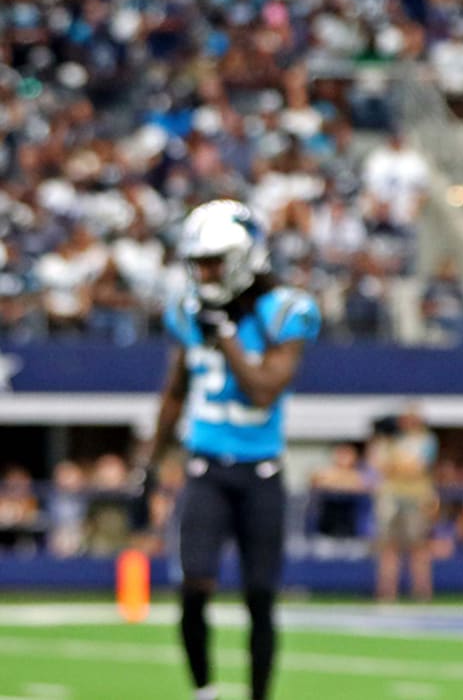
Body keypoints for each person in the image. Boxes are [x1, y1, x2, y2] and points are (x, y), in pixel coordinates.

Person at [145, 199, 321, 700]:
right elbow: (175, 390)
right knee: (193, 585)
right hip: (206, 468)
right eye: (197, 262)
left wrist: (225, 336)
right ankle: (204, 692)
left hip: (261, 472)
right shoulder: (188, 310)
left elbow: (264, 389)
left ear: (243, 257)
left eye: (213, 261)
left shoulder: (286, 309)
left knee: (261, 596)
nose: (203, 273)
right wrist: (150, 461)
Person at [367, 406, 439, 601]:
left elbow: (416, 467)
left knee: (419, 545)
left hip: (416, 496)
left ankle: (422, 592)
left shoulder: (425, 439)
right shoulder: (387, 441)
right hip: (390, 496)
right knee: (388, 546)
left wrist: (395, 464)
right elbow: (377, 465)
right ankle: (386, 592)